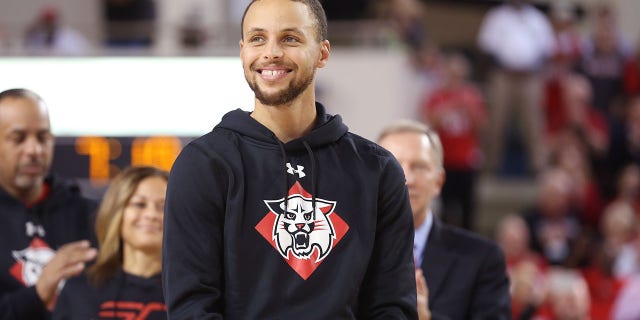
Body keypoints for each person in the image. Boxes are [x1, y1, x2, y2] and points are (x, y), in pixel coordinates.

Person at [162, 0, 417, 319]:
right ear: (242, 51)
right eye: (257, 38)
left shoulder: (377, 169)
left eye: (290, 38)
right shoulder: (202, 165)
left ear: (323, 53)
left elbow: (392, 305)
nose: (270, 52)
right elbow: (191, 307)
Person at [377, 119, 511, 319]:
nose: (407, 179)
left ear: (439, 182)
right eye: (394, 165)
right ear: (374, 179)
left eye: (419, 167)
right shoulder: (347, 253)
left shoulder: (483, 258)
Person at [0, 88, 98, 319]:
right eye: (18, 138)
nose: (34, 150)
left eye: (43, 137)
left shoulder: (91, 215)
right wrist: (40, 292)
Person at [53, 166, 168, 320]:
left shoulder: (192, 292)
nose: (152, 214)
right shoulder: (80, 290)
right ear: (116, 212)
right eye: (140, 204)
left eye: (164, 207)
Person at [477, 0, 555, 175]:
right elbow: (485, 48)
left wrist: (531, 67)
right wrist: (507, 65)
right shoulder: (496, 17)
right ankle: (490, 167)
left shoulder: (538, 18)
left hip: (530, 78)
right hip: (503, 76)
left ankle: (539, 168)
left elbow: (547, 50)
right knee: (496, 123)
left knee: (534, 124)